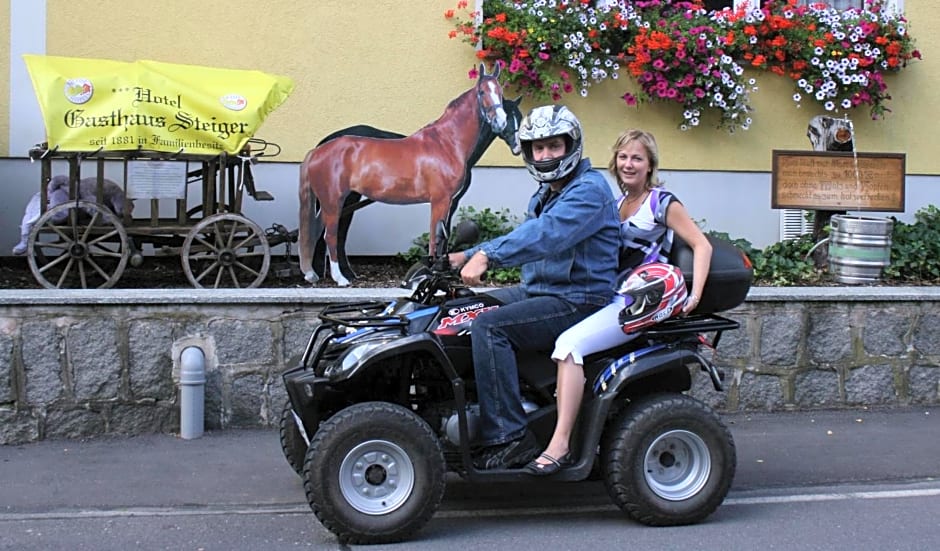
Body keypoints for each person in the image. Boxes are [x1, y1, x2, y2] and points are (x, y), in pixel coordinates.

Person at [525, 129, 713, 475]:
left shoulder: (661, 202)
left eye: (637, 158)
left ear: (649, 165)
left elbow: (702, 245)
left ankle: (561, 444)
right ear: (615, 162)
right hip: (609, 293)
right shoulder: (614, 204)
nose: (629, 164)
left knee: (569, 346)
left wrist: (695, 294)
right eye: (624, 157)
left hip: (639, 300)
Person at [448, 105, 620, 470]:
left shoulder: (589, 191)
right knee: (464, 310)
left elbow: (546, 235)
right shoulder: (546, 193)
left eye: (553, 147)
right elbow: (524, 233)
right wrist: (465, 254)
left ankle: (510, 437)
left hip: (578, 298)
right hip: (542, 290)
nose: (544, 155)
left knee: (489, 328)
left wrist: (489, 257)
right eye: (538, 148)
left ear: (570, 146)